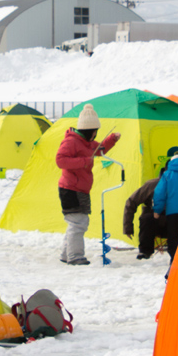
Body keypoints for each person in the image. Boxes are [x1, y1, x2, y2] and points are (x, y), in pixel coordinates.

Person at [55, 104, 120, 265]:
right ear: (89, 130)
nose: (96, 134)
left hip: (80, 190)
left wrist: (112, 139)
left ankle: (66, 254)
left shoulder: (87, 143)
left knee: (76, 223)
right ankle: (75, 256)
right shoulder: (71, 142)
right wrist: (83, 162)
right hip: (70, 190)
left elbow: (99, 149)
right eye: (95, 131)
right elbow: (60, 160)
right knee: (78, 223)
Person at [122, 168, 166, 259]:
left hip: (174, 221)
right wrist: (128, 227)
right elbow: (131, 202)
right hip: (154, 222)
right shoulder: (151, 185)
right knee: (147, 218)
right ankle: (145, 251)